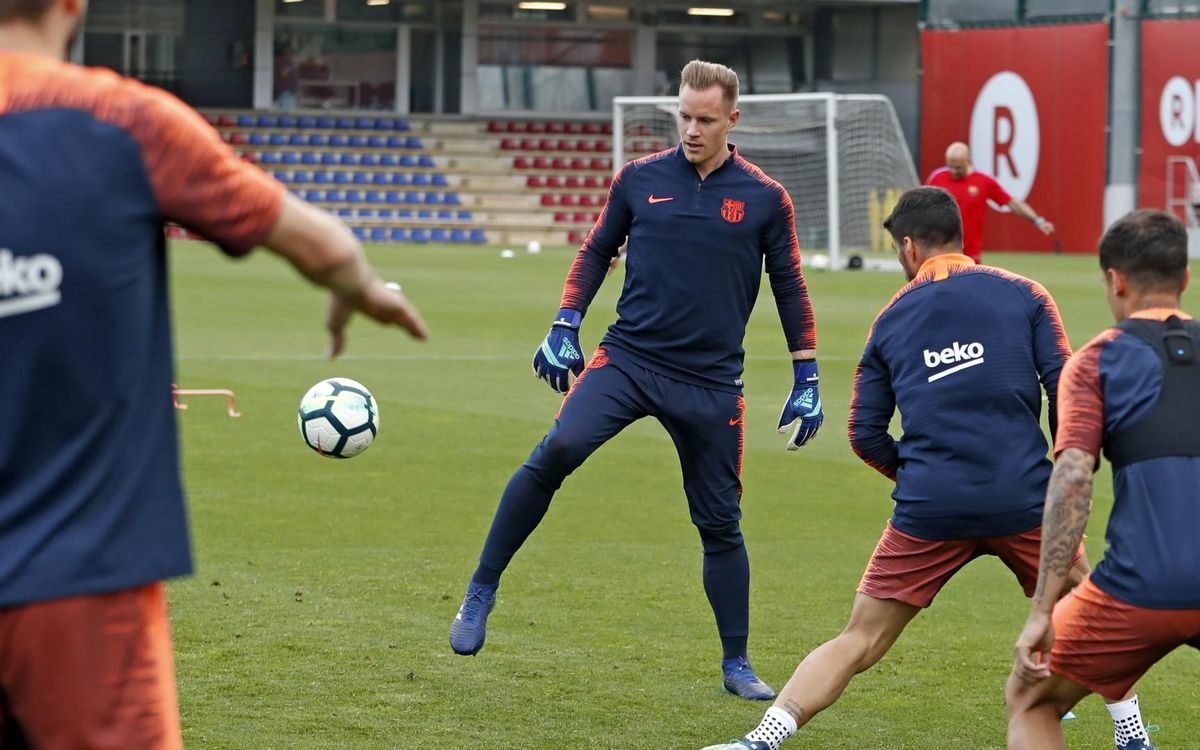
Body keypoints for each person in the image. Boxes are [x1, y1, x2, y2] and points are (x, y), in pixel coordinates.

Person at [0, 1, 428, 747]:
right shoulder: (125, 121)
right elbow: (318, 243)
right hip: (81, 578)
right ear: (72, 3)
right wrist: (359, 287)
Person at [700, 187, 1147, 750]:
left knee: (859, 638)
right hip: (1025, 498)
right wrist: (1058, 473)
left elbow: (863, 434)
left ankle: (761, 740)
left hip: (931, 506)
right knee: (1090, 613)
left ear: (909, 246)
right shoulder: (1027, 294)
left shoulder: (890, 318)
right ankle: (1133, 737)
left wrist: (919, 477)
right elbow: (1068, 391)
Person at [448, 59, 823, 700]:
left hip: (710, 382)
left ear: (732, 120)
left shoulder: (765, 197)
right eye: (685, 116)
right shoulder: (639, 179)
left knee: (720, 522)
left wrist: (806, 372)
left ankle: (736, 663)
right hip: (628, 360)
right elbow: (596, 249)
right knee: (558, 449)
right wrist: (565, 323)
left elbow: (789, 284)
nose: (692, 130)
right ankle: (481, 589)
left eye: (706, 120)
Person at [1006, 210, 1200, 750]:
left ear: (1114, 280)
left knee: (1031, 700)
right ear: (1185, 277)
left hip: (1138, 586)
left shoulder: (1096, 360)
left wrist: (1043, 610)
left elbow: (1072, 481)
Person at [927, 141, 1055, 263]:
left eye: (958, 167)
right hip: (941, 248)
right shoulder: (937, 178)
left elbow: (1012, 203)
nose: (954, 171)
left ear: (968, 160)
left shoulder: (984, 181)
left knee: (970, 279)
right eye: (950, 166)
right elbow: (924, 207)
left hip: (970, 250)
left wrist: (1038, 221)